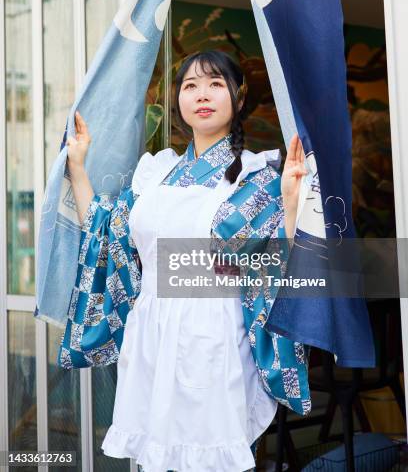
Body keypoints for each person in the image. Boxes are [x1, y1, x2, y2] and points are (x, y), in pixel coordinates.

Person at [63, 50, 309, 472]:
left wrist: (290, 200)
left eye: (215, 84)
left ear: (239, 95)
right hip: (151, 332)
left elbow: (279, 261)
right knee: (156, 457)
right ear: (177, 99)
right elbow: (105, 233)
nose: (202, 95)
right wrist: (77, 165)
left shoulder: (258, 175)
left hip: (213, 331)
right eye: (190, 85)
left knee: (211, 457)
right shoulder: (156, 173)